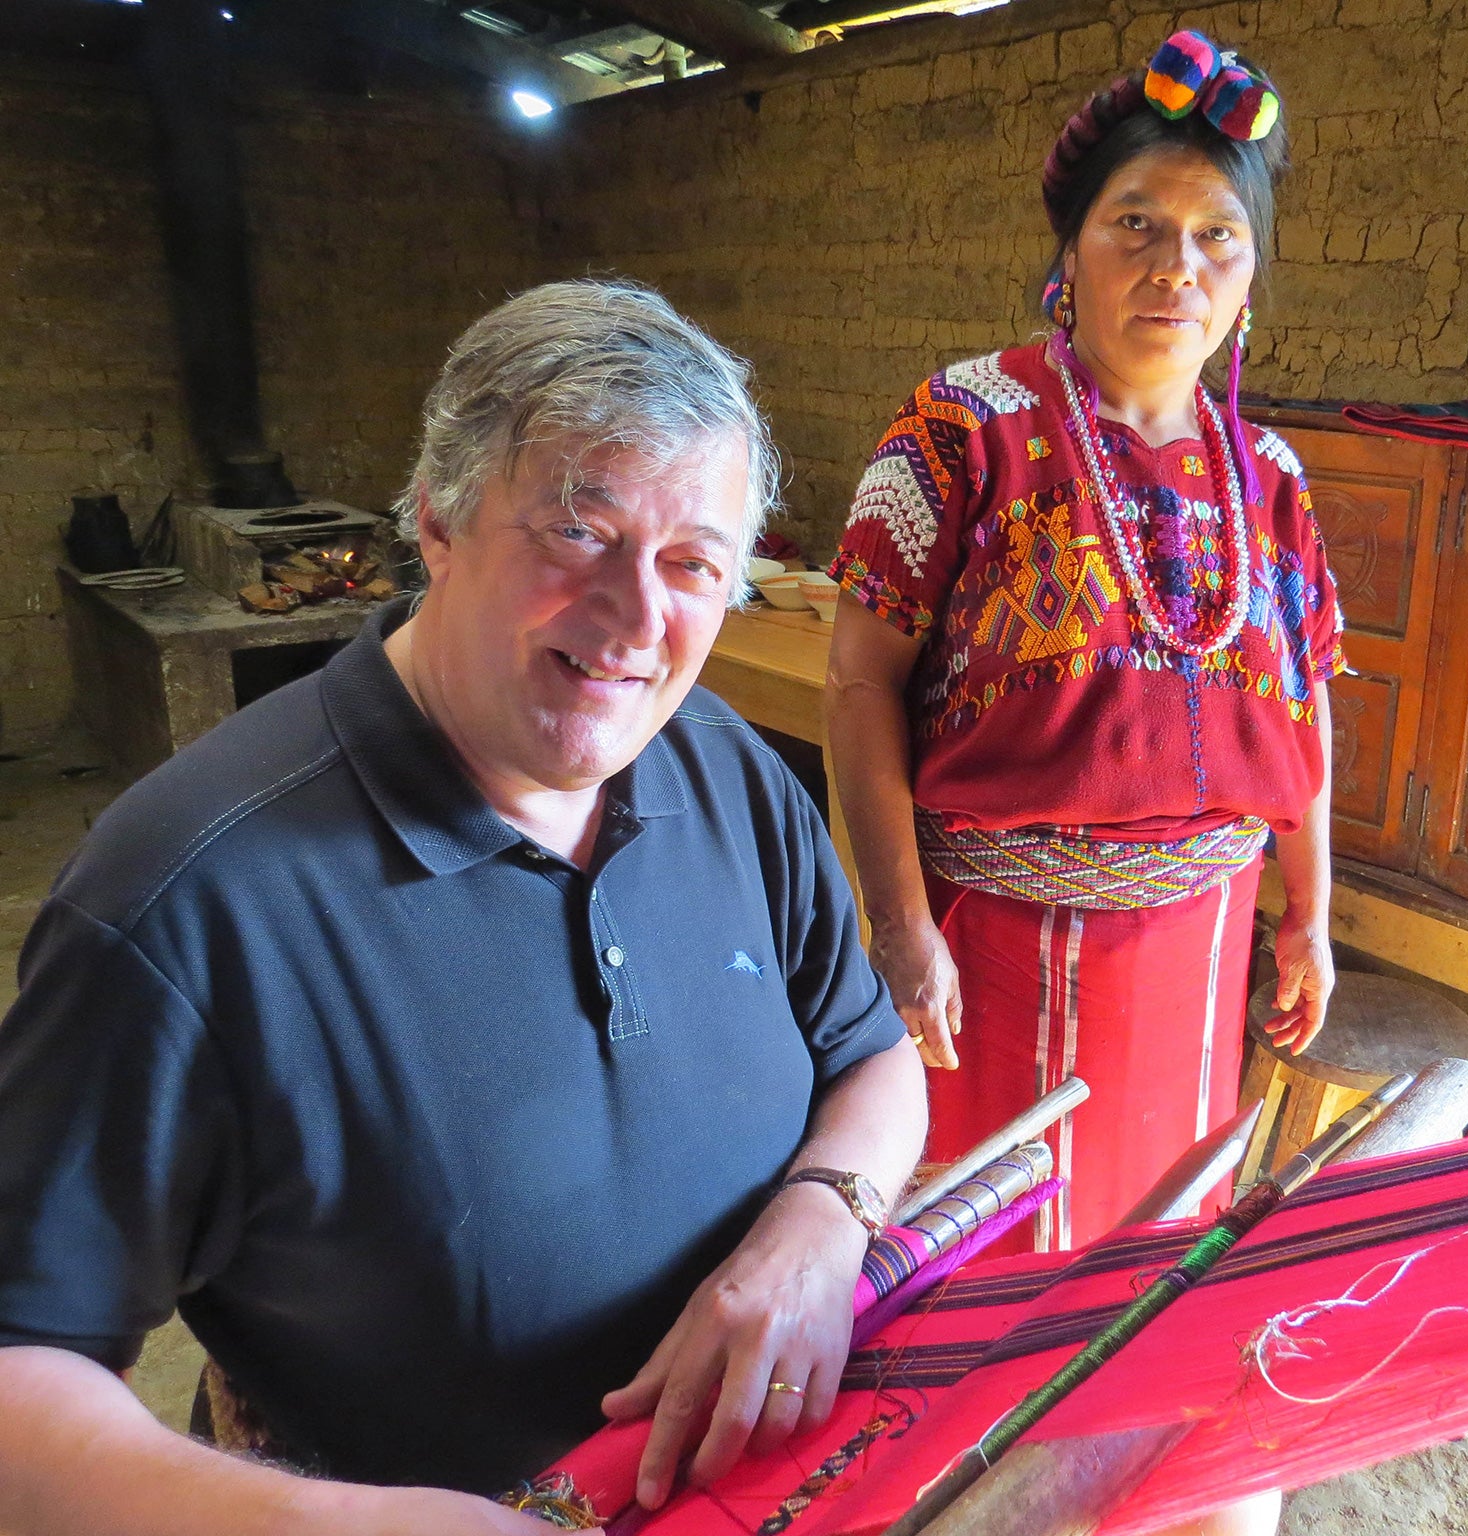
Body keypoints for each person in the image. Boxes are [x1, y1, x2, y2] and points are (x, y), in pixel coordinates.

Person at [0, 279, 926, 1535]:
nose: (637, 618)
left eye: (692, 564)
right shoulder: (182, 905)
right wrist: (334, 1527)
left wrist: (822, 1221)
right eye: (577, 532)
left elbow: (872, 1058)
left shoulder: (728, 772)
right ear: (436, 519)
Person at [825, 31, 1343, 1259]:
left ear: (1251, 273)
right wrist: (896, 928)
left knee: (1143, 1243)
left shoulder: (1267, 476)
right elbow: (857, 686)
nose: (1177, 266)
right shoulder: (960, 425)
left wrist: (1309, 913)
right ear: (1071, 246)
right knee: (978, 1250)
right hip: (993, 955)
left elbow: (1305, 703)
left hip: (1201, 947)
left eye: (1216, 233)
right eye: (1135, 224)